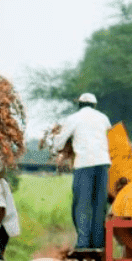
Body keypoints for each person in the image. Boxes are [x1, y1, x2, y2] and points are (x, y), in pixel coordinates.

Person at [51, 92, 112, 251]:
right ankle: (98, 243)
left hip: (84, 164)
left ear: (79, 104)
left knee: (82, 204)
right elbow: (110, 135)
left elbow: (59, 142)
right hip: (103, 163)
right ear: (94, 105)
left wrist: (59, 148)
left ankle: (84, 243)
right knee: (99, 204)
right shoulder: (103, 118)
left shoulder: (73, 118)